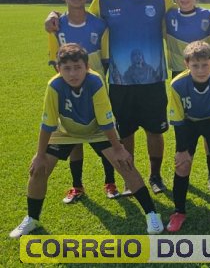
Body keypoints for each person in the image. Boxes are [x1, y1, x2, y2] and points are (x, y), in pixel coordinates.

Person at [45, 0, 175, 195]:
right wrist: (53, 14)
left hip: (154, 79)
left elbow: (183, 12)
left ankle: (155, 177)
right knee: (125, 132)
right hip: (119, 80)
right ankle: (129, 178)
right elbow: (79, 12)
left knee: (155, 131)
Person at [9, 44, 163, 238]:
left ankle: (151, 214)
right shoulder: (54, 86)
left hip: (97, 129)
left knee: (125, 164)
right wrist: (40, 155)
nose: (73, 73)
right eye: (67, 68)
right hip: (66, 131)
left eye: (77, 67)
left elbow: (106, 121)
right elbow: (47, 124)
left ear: (87, 67)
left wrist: (118, 149)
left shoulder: (95, 82)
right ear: (58, 68)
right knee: (39, 169)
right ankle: (32, 218)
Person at [47, 0, 118, 202]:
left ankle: (110, 183)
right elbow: (55, 61)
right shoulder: (56, 26)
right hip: (68, 90)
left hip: (96, 90)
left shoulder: (100, 24)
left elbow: (106, 59)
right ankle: (77, 186)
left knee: (104, 135)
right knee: (74, 136)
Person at [166, 41, 210, 231]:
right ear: (186, 64)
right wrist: (181, 150)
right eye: (195, 65)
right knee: (182, 165)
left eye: (205, 65)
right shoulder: (177, 84)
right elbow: (178, 120)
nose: (201, 70)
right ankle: (179, 211)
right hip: (189, 123)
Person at [165, 0, 210, 191]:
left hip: (206, 76)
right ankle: (182, 171)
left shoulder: (209, 16)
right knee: (184, 126)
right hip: (180, 78)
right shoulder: (167, 16)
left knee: (208, 123)